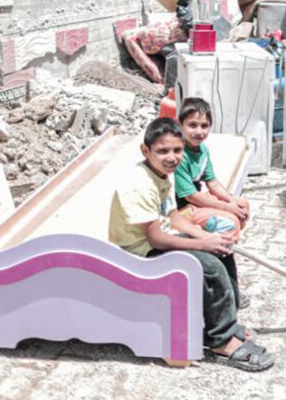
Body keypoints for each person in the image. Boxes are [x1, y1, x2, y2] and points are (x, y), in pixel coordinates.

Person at [108, 118, 275, 371]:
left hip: (158, 241)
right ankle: (221, 342)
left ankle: (223, 322)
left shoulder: (163, 175)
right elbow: (156, 239)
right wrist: (202, 246)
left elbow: (174, 218)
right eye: (162, 151)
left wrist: (206, 237)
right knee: (209, 267)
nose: (171, 157)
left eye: (177, 150)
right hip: (139, 253)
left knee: (223, 251)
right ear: (145, 151)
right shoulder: (140, 184)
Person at [174, 98, 251, 228]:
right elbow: (191, 196)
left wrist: (231, 201)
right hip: (179, 209)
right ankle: (217, 239)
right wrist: (226, 207)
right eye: (192, 125)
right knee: (231, 221)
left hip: (194, 200)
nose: (199, 132)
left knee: (242, 204)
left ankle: (227, 238)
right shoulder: (177, 155)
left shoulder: (202, 150)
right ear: (179, 125)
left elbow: (212, 182)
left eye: (204, 126)